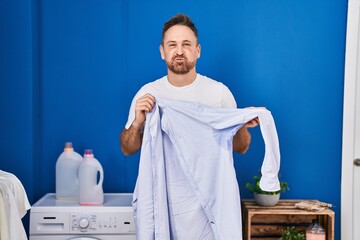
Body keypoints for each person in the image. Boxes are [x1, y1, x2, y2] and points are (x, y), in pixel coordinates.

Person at [120, 13, 259, 156]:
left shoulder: (219, 93)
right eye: (172, 45)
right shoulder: (147, 94)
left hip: (209, 179)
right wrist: (137, 124)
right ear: (163, 52)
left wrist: (240, 123)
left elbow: (241, 148)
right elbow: (127, 149)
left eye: (186, 45)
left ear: (197, 51)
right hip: (162, 179)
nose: (179, 51)